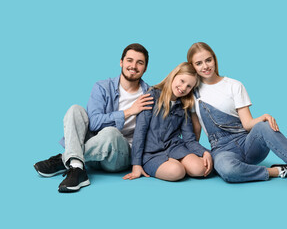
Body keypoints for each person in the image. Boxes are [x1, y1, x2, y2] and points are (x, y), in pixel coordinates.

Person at [186, 42, 287, 195]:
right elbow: (196, 130)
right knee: (227, 170)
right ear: (192, 66)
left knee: (263, 125)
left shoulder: (234, 85)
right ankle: (278, 171)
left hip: (248, 143)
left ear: (214, 59)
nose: (205, 66)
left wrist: (263, 117)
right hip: (222, 150)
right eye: (199, 63)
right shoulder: (192, 93)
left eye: (208, 60)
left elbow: (247, 124)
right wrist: (196, 155)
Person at [34, 43, 154, 192]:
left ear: (145, 68)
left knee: (111, 132)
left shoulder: (150, 95)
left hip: (119, 157)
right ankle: (77, 167)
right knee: (75, 109)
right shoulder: (102, 87)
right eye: (129, 60)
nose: (133, 66)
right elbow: (94, 123)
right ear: (121, 62)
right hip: (95, 155)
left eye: (139, 62)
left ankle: (65, 158)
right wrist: (128, 111)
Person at [123, 62, 213, 181]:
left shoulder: (183, 106)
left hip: (175, 148)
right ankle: (174, 164)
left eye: (189, 86)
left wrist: (204, 153)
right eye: (182, 81)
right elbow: (140, 132)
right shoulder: (151, 96)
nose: (183, 88)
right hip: (151, 153)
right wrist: (136, 165)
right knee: (177, 171)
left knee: (200, 169)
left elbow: (189, 139)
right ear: (174, 75)